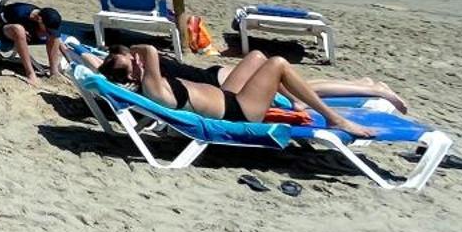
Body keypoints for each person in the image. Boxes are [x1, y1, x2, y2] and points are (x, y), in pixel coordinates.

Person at [90, 43, 377, 137]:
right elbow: (149, 49)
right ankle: (332, 117)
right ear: (130, 73)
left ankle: (299, 102)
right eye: (132, 63)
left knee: (256, 56)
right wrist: (135, 56)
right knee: (277, 63)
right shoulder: (150, 85)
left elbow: (143, 55)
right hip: (240, 111)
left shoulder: (147, 84)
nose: (137, 60)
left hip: (230, 98)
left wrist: (126, 62)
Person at [0, 1, 65, 83]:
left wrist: (64, 48)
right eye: (46, 28)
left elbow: (56, 37)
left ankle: (54, 71)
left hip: (30, 35)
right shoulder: (19, 12)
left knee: (54, 36)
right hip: (4, 31)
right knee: (19, 30)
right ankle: (30, 73)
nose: (48, 31)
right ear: (39, 20)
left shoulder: (48, 18)